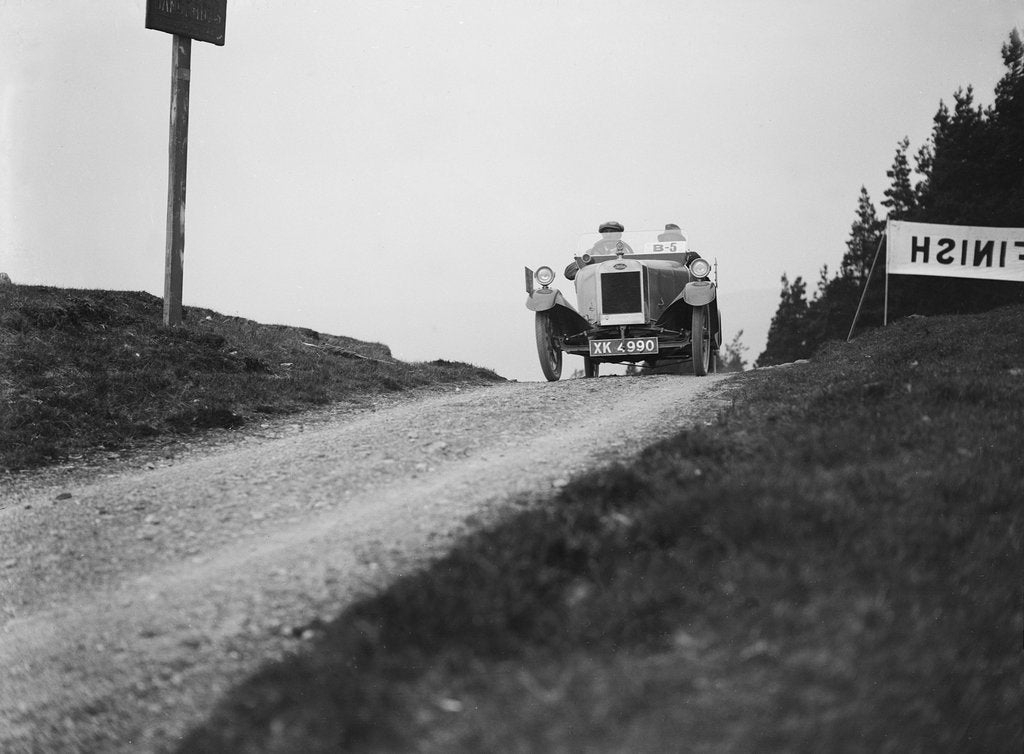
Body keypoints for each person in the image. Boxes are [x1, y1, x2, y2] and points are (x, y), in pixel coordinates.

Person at [565, 221, 632, 280]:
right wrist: (583, 263)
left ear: (619, 234)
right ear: (602, 235)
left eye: (612, 232)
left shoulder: (629, 254)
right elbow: (569, 274)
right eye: (605, 232)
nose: (608, 235)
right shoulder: (591, 253)